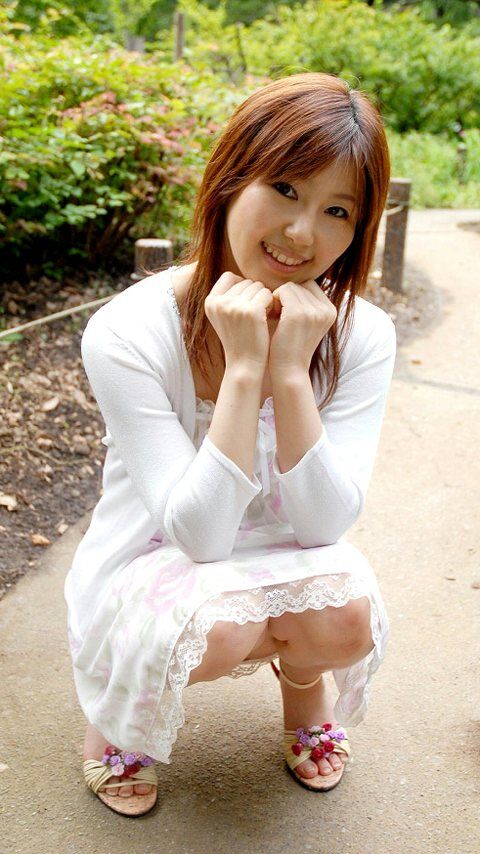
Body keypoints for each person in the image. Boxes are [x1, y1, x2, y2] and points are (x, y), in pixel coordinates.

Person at [65, 71, 396, 816]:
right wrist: (246, 370)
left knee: (347, 618)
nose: (303, 233)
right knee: (218, 627)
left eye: (336, 210)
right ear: (229, 179)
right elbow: (201, 537)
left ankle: (303, 685)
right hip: (160, 555)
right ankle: (120, 714)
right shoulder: (128, 331)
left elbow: (325, 525)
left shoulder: (362, 334)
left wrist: (291, 372)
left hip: (289, 554)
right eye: (285, 188)